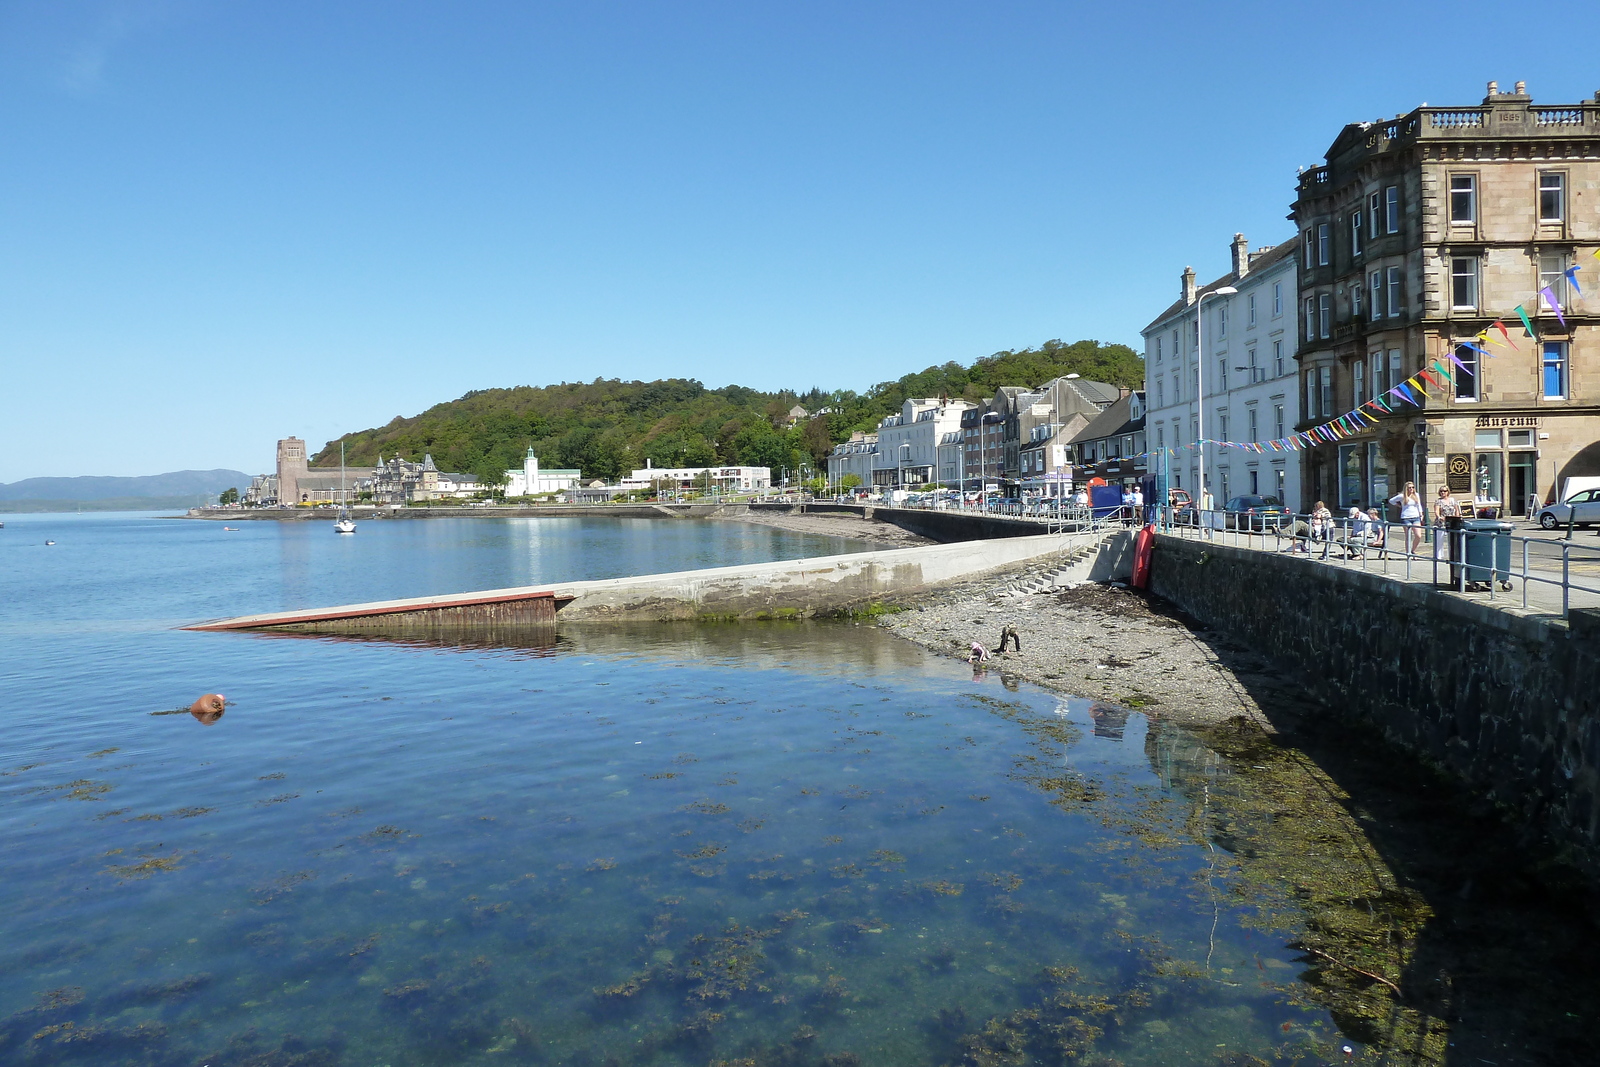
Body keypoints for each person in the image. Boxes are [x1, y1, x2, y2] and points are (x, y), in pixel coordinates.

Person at [1388, 481, 1424, 557]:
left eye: (1413, 487)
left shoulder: (1416, 495)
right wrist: (1399, 505)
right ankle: (1408, 554)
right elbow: (1391, 501)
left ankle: (1413, 550)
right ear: (1406, 488)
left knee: (1418, 535)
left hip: (1416, 517)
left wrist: (1421, 513)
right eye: (1409, 488)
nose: (1411, 489)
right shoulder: (1402, 496)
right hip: (1406, 517)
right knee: (1408, 536)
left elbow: (1419, 505)